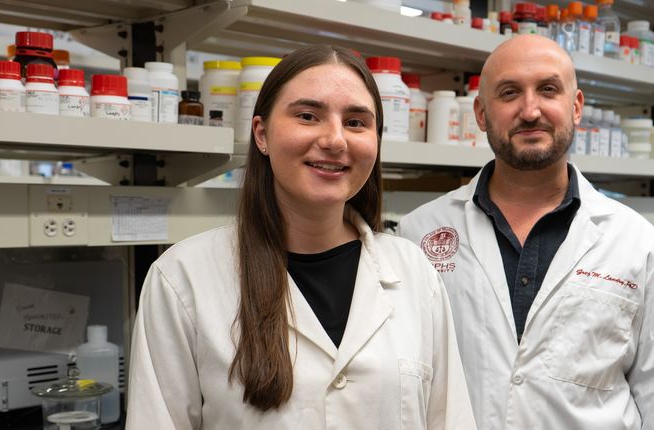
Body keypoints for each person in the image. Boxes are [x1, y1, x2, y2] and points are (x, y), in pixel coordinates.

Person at [126, 45, 476, 429]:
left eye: (356, 122)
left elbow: (450, 419)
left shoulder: (415, 274)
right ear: (261, 134)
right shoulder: (182, 279)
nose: (335, 140)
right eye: (308, 116)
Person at [398, 34, 654, 429]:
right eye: (510, 92)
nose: (530, 110)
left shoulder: (638, 242)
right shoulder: (418, 234)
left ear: (576, 107)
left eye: (548, 90)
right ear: (481, 113)